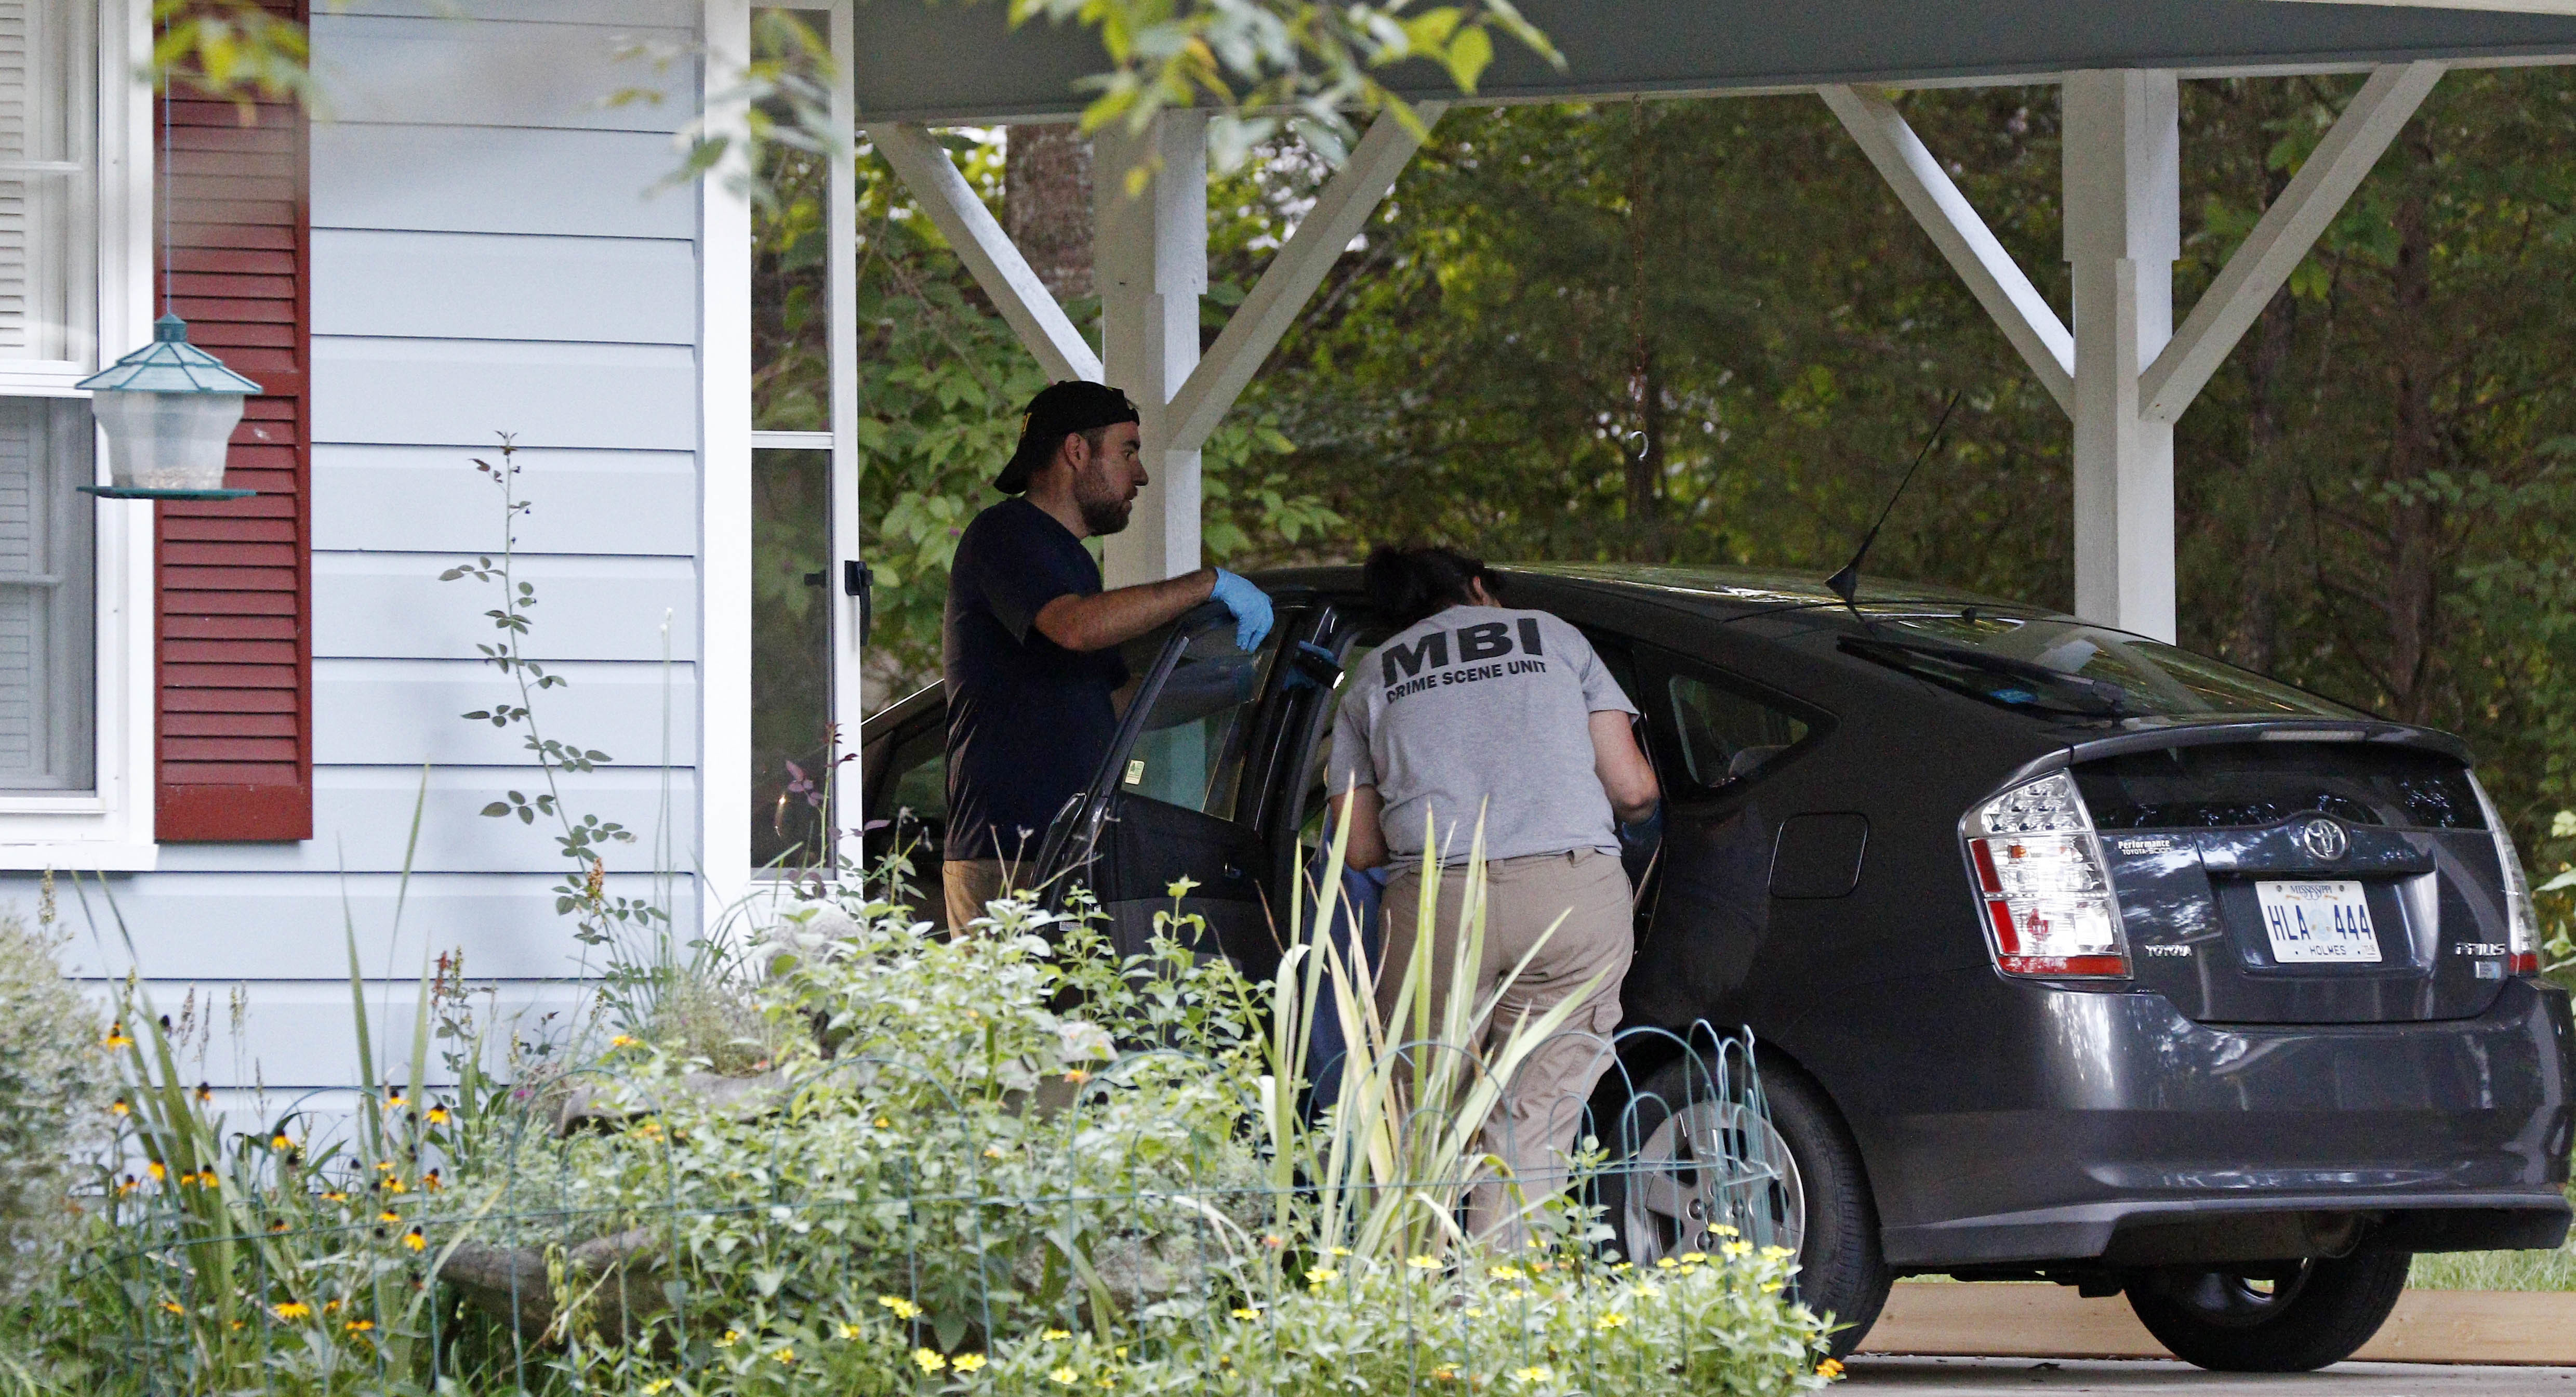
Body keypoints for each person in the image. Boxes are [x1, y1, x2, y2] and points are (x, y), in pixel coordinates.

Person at [1325, 544, 1659, 1244]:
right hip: (1570, 897)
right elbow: (1632, 791)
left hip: (1439, 903)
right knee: (1531, 1123)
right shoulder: (1558, 638)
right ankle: (1504, 1320)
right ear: (1477, 588)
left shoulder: (1371, 676)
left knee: (1425, 1122)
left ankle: (1419, 1316)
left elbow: (1357, 850)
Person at [941, 381, 1273, 932]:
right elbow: (1073, 627)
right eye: (1127, 451)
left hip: (1075, 848)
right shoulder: (1006, 532)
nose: (1140, 474)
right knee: (1015, 1022)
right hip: (1009, 853)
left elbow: (1117, 702)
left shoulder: (1068, 561)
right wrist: (1206, 583)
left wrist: (1244, 684)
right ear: (1076, 451)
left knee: (1082, 1021)